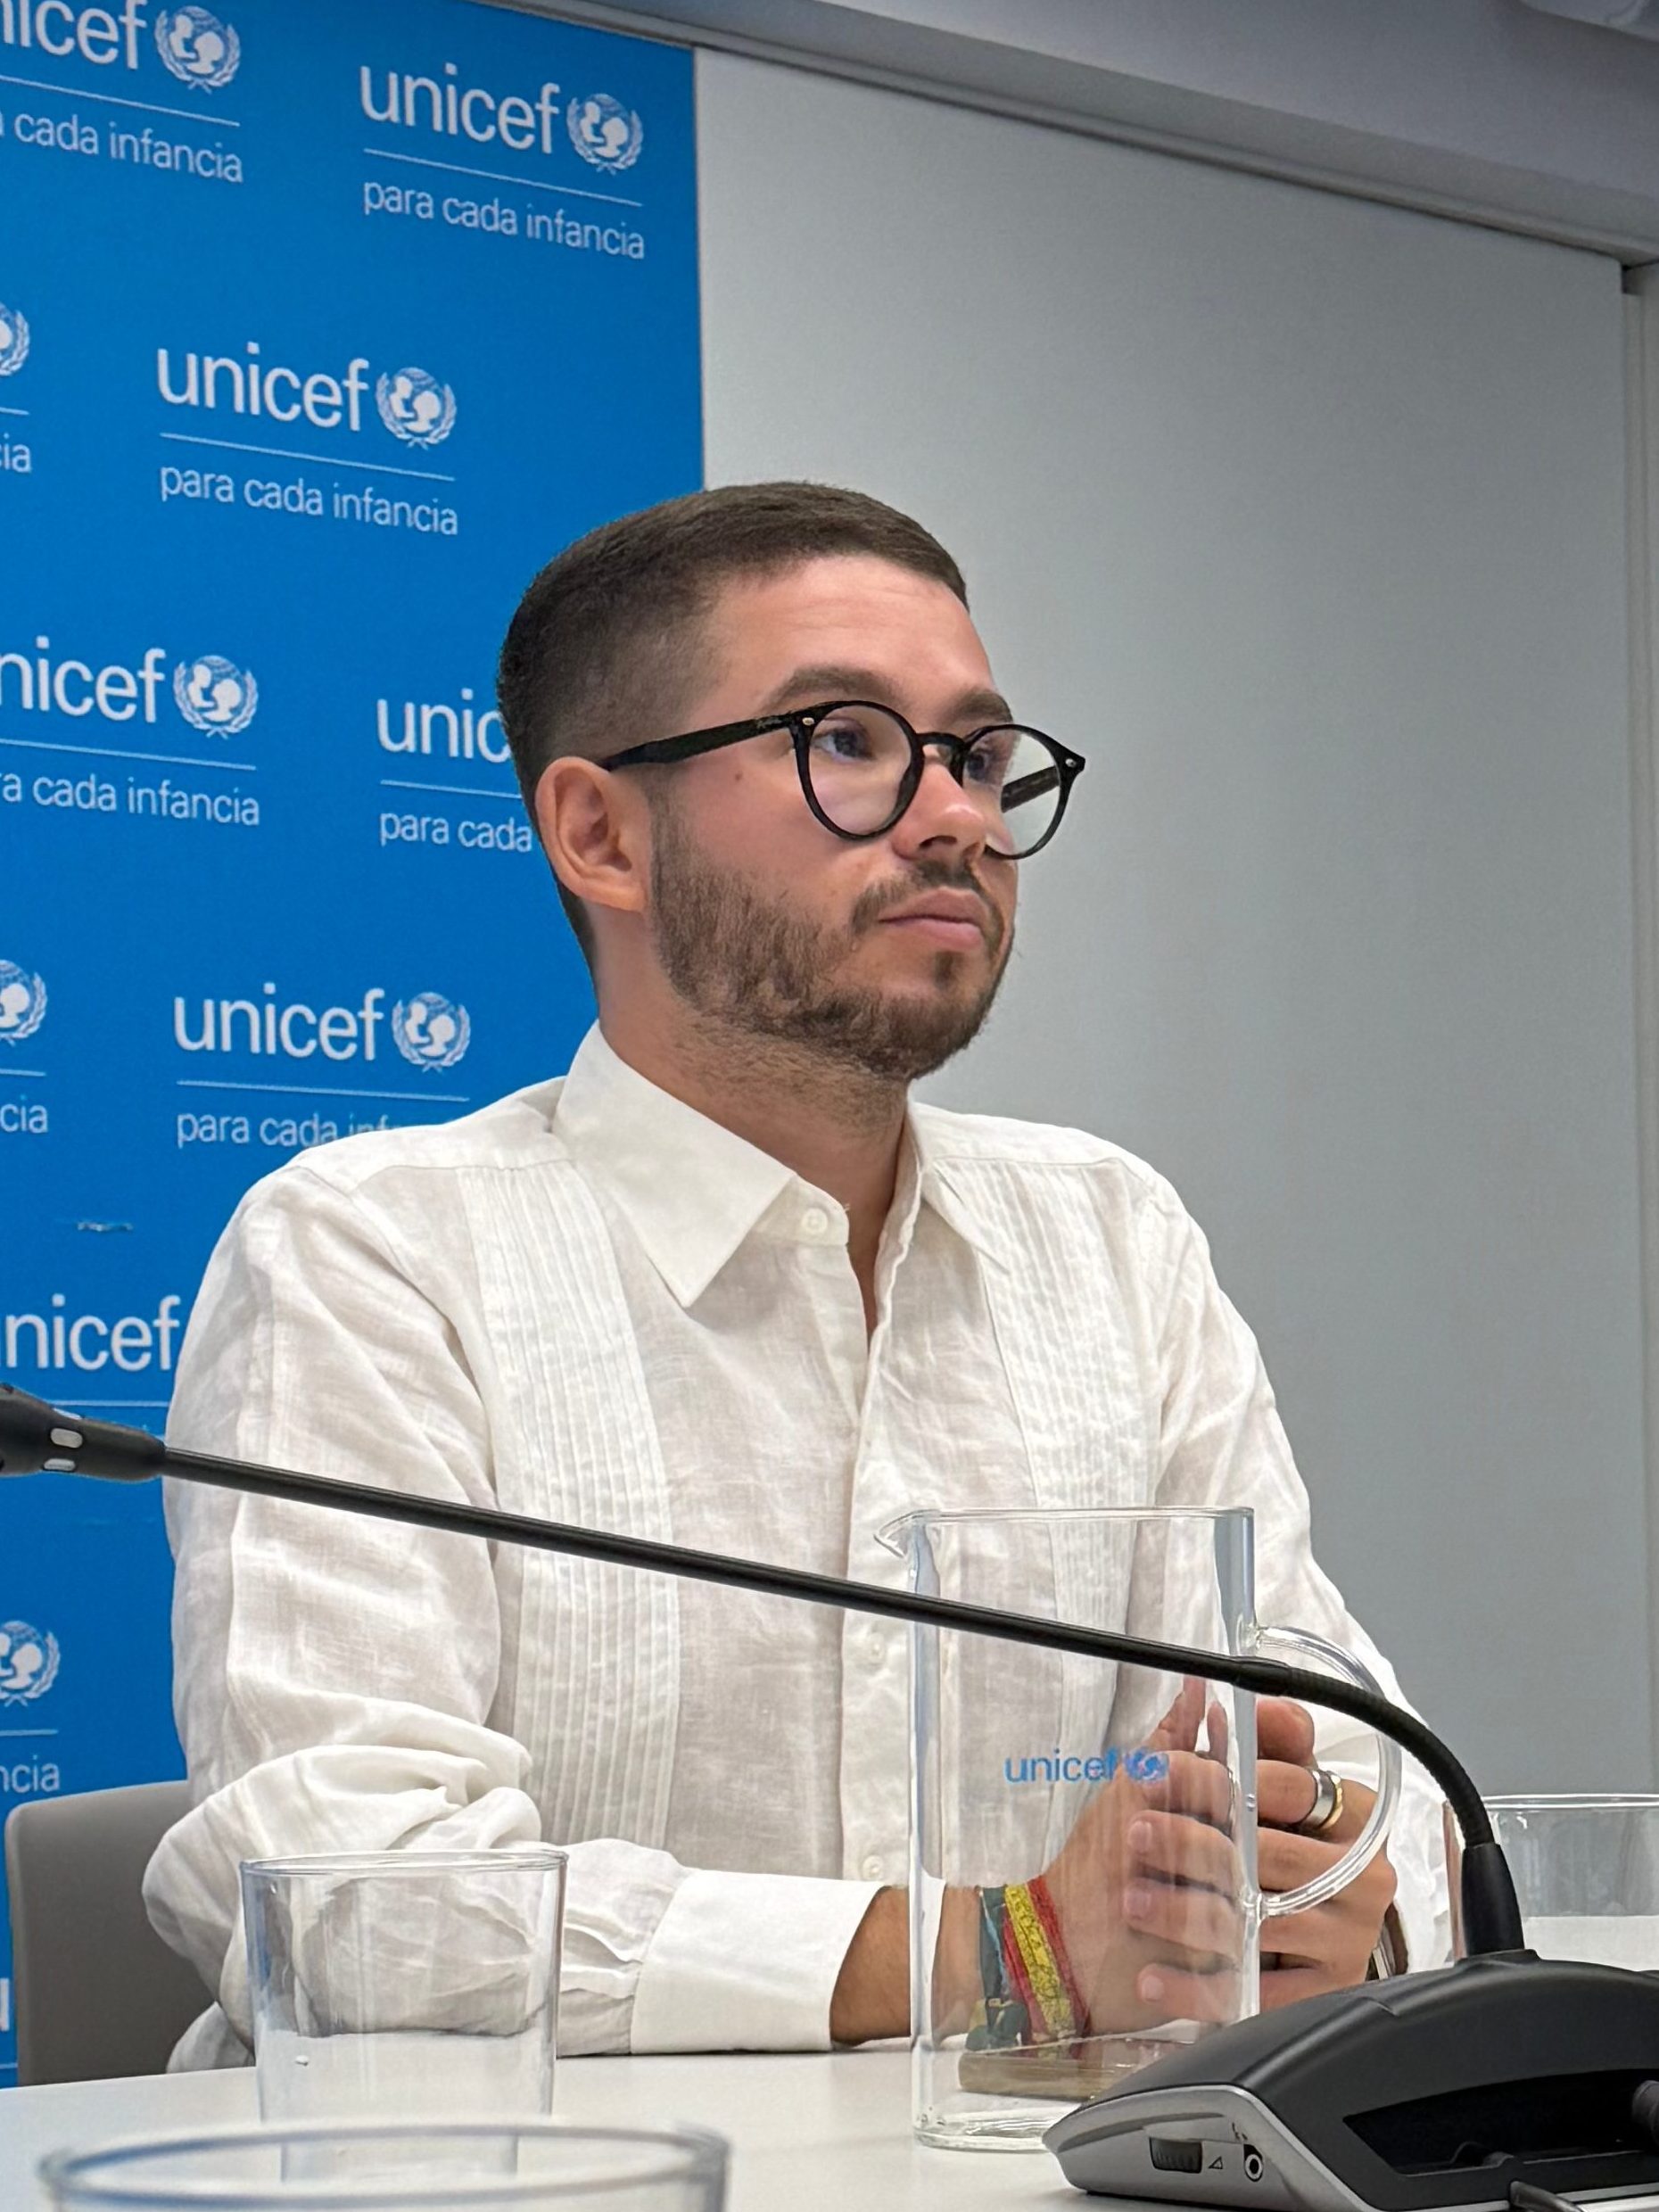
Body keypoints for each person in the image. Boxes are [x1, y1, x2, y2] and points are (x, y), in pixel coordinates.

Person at [145, 482, 1445, 2068]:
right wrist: (1012, 1950)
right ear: (602, 835)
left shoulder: (1111, 1234)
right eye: (848, 742)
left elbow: (1345, 1745)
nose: (957, 818)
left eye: (978, 755)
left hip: (1048, 2168)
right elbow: (341, 1897)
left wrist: (1321, 1897)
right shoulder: (374, 1252)